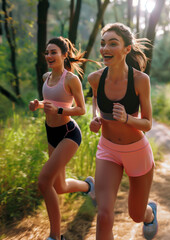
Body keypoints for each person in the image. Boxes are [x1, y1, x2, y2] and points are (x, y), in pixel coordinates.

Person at [88, 23, 158, 240]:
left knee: (136, 215)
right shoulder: (95, 78)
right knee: (104, 214)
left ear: (127, 49)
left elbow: (147, 123)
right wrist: (94, 119)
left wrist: (128, 119)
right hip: (108, 150)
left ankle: (149, 213)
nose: (105, 48)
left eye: (112, 43)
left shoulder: (140, 80)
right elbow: (95, 101)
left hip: (137, 151)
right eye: (102, 43)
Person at [29, 36, 95, 240]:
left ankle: (56, 237)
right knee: (59, 187)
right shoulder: (46, 77)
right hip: (51, 134)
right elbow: (48, 101)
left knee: (44, 181)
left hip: (68, 133)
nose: (49, 56)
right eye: (47, 52)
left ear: (64, 55)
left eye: (53, 52)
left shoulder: (71, 79)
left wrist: (58, 110)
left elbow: (82, 109)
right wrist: (38, 104)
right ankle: (89, 186)